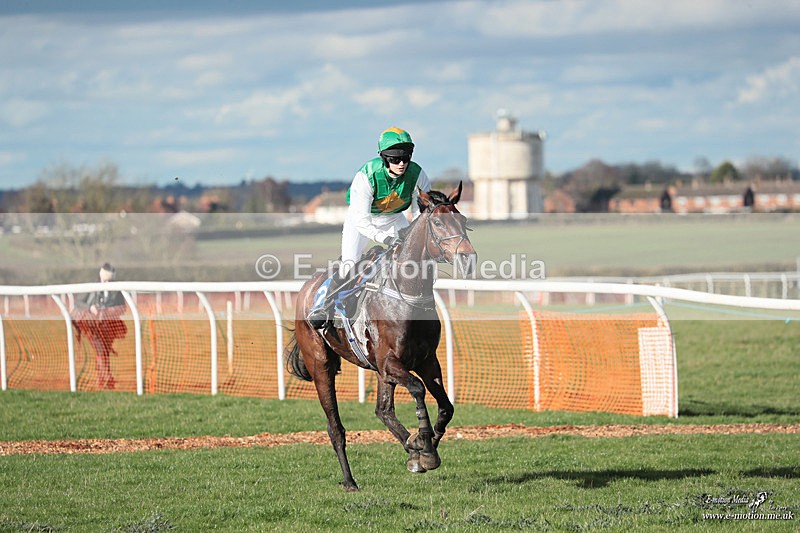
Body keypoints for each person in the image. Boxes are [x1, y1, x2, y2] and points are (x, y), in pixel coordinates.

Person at [307, 127, 432, 328]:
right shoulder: (366, 176)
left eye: (405, 158)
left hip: (393, 218)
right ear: (384, 158)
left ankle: (417, 302)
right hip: (362, 222)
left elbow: (420, 214)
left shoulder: (417, 174)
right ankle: (323, 305)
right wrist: (386, 239)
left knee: (412, 259)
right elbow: (362, 220)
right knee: (349, 264)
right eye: (394, 159)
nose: (401, 164)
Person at [71, 262, 127, 389]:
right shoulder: (91, 288)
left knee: (105, 350)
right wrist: (90, 308)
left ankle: (105, 377)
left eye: (109, 281)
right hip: (91, 325)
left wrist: (109, 311)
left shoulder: (116, 290)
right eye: (105, 281)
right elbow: (78, 302)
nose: (107, 284)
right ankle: (103, 378)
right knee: (100, 349)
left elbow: (122, 307)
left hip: (109, 325)